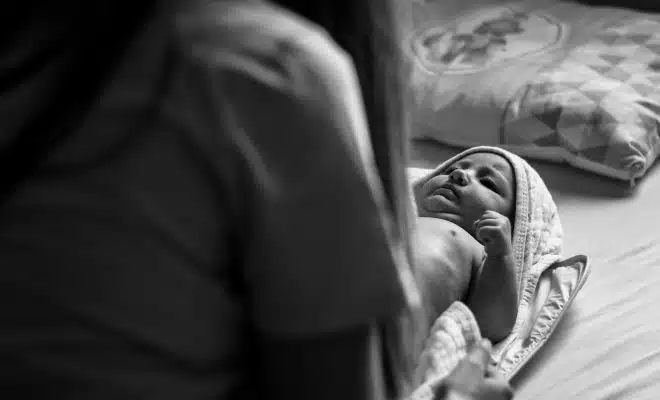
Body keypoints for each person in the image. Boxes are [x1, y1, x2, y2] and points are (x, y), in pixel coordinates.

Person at [0, 1, 512, 399]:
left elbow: (496, 318)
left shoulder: (470, 244)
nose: (463, 175)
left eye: (490, 182)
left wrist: (501, 256)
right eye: (460, 167)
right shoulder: (272, 74)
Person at [412, 150, 519, 343]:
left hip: (392, 319)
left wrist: (501, 255)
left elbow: (492, 326)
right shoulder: (398, 217)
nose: (459, 175)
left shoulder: (482, 253)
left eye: (487, 183)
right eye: (451, 169)